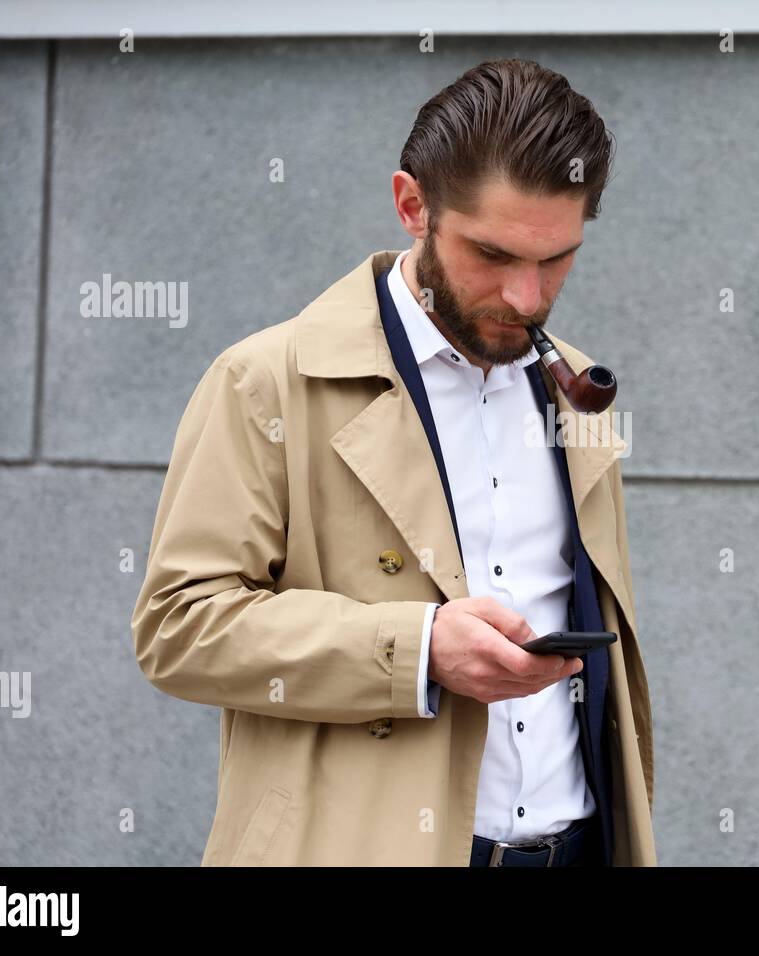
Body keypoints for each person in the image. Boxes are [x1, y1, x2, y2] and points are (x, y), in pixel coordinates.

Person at [130, 58, 655, 866]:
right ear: (413, 205)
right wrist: (417, 647)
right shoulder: (266, 380)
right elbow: (177, 627)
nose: (527, 296)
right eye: (494, 255)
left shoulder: (572, 392)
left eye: (556, 259)